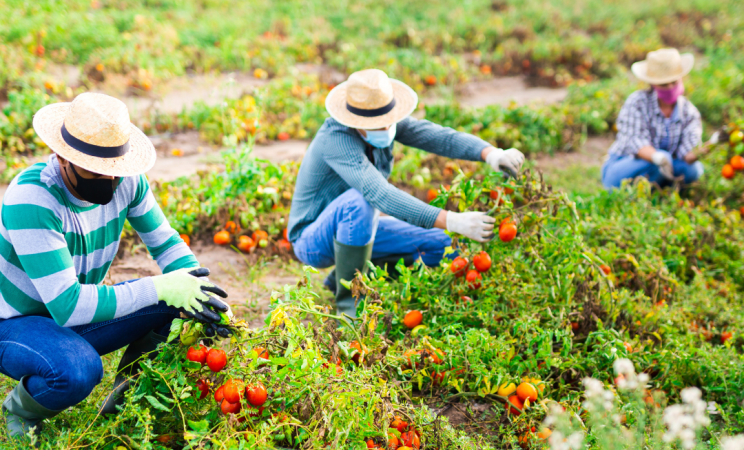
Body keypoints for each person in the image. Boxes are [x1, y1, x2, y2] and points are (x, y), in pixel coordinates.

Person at [0, 93, 231, 439]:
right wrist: (158, 286)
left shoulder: (129, 181)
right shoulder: (32, 200)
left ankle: (126, 403)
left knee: (175, 299)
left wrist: (200, 292)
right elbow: (67, 305)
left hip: (76, 313)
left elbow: (166, 244)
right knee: (77, 369)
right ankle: (20, 408)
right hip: (17, 323)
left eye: (114, 171)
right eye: (95, 170)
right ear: (63, 157)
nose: (109, 182)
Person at [288, 69, 525, 318]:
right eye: (378, 124)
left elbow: (437, 137)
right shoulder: (336, 139)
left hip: (361, 227)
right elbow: (379, 194)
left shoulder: (386, 122)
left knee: (448, 246)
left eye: (390, 120)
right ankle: (350, 308)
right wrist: (452, 219)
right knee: (359, 202)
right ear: (357, 122)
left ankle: (343, 276)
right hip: (312, 240)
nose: (388, 127)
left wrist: (490, 153)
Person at [602, 48, 704, 189]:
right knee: (663, 159)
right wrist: (659, 158)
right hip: (626, 164)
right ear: (652, 84)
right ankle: (636, 194)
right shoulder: (637, 102)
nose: (670, 87)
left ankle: (659, 189)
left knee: (694, 169)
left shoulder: (688, 112)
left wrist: (712, 145)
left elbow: (687, 153)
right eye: (663, 84)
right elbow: (634, 141)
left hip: (662, 167)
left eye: (674, 82)